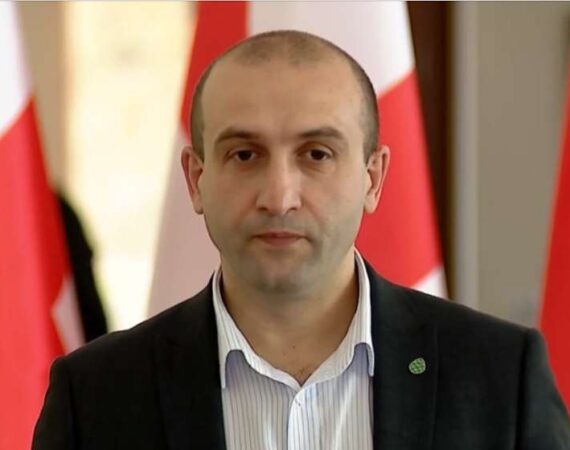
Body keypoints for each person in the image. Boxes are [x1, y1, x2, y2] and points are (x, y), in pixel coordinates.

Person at [33, 30, 570, 450]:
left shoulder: (501, 377)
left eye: (316, 154)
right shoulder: (96, 396)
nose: (279, 196)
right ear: (196, 179)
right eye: (245, 155)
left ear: (373, 178)